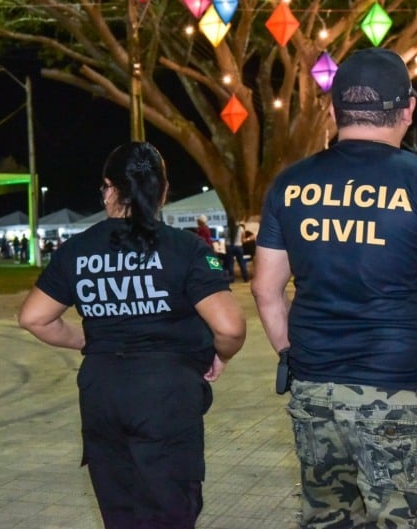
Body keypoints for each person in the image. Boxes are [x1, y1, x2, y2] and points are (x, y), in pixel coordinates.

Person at [251, 48, 417, 529]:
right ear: (408, 108)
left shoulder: (290, 184)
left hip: (315, 391)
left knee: (328, 518)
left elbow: (264, 289)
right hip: (398, 391)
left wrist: (295, 357)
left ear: (334, 109)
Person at [18, 142, 246, 529]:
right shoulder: (185, 248)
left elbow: (34, 318)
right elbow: (230, 327)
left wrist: (88, 341)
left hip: (102, 393)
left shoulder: (77, 250)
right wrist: (221, 355)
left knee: (119, 511)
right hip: (166, 394)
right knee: (170, 511)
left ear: (109, 189)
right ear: (162, 190)